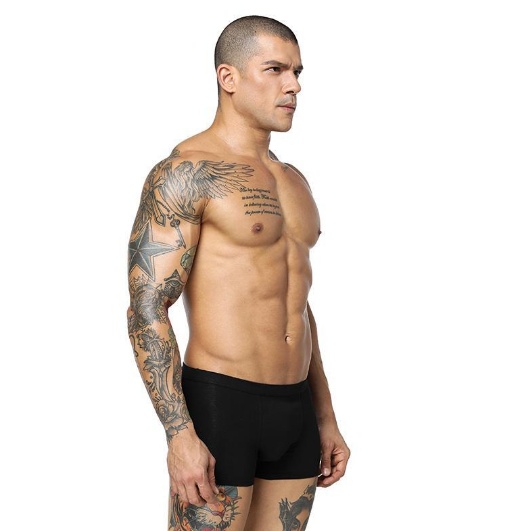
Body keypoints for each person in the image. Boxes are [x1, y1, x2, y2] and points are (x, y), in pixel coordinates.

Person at [127, 15, 350, 530]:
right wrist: (179, 434)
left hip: (295, 409)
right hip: (221, 405)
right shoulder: (185, 172)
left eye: (297, 72)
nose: (293, 86)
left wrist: (325, 417)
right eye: (275, 69)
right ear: (228, 77)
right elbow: (147, 306)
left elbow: (297, 302)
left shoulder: (293, 180)